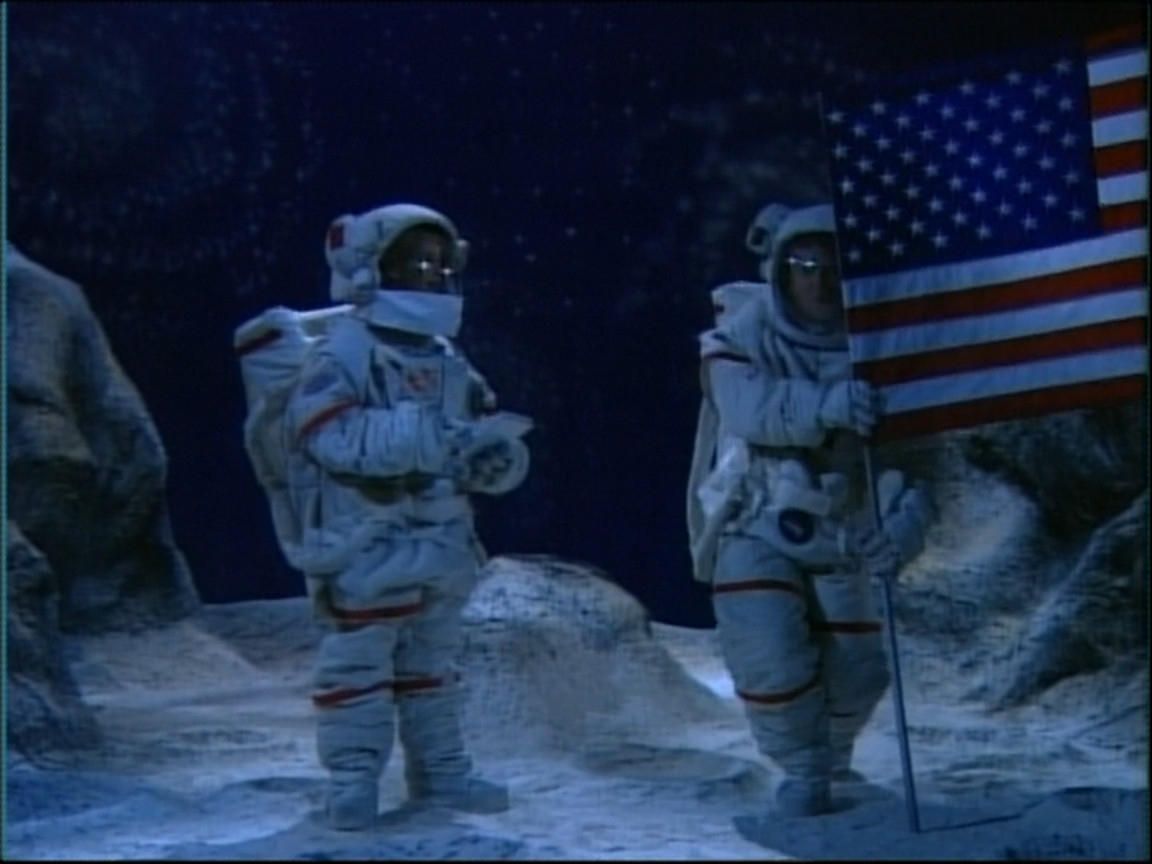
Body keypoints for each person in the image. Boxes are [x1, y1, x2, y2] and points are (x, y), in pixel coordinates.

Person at [283, 202, 532, 830]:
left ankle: (442, 771)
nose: (430, 275)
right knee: (359, 667)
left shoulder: (446, 357)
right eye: (415, 263)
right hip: (369, 539)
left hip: (441, 539)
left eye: (439, 264)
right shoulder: (343, 353)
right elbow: (328, 436)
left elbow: (473, 425)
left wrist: (494, 459)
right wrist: (424, 437)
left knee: (432, 668)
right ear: (370, 269)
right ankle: (353, 780)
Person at [686, 201, 933, 818]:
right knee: (769, 653)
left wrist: (900, 531)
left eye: (834, 269)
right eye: (804, 267)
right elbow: (749, 411)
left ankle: (832, 749)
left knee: (860, 670)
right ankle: (802, 766)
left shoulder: (885, 353)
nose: (820, 283)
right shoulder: (740, 339)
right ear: (781, 273)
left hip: (845, 528)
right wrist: (826, 406)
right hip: (758, 520)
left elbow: (922, 464)